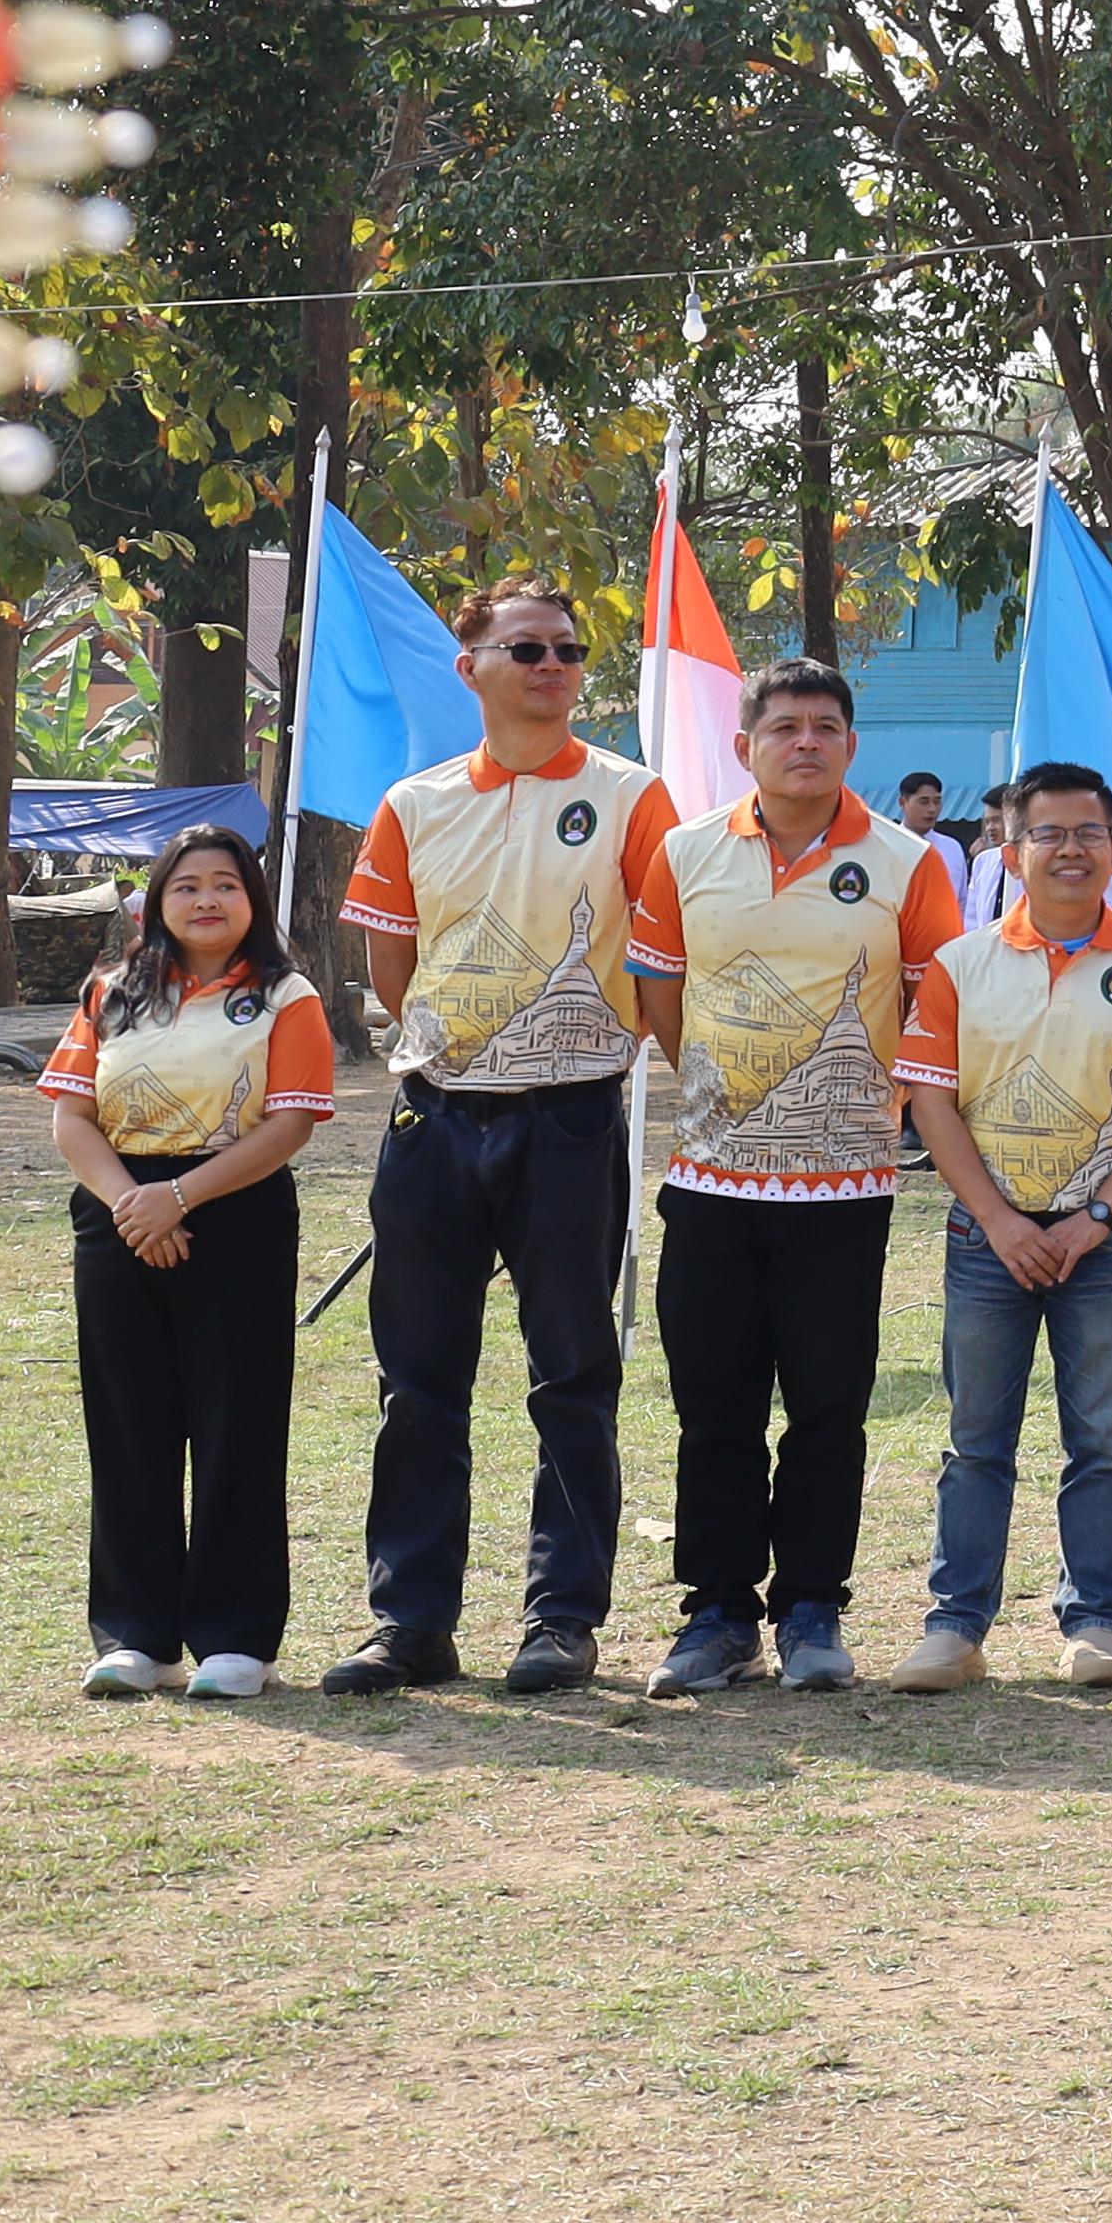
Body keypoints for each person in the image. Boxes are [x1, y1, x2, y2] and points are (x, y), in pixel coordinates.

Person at [325, 579, 673, 1701]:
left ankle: (561, 1618)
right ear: (469, 664)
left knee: (573, 1373)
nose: (552, 664)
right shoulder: (414, 802)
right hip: (435, 1115)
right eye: (525, 646)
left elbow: (662, 953)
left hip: (573, 1114)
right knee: (417, 1381)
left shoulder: (632, 796)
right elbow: (392, 960)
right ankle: (410, 1621)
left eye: (569, 649)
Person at [620, 654, 969, 1698]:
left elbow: (933, 1006)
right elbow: (663, 999)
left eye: (826, 726)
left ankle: (813, 1606)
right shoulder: (683, 853)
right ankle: (718, 1612)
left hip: (846, 1187)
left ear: (852, 746)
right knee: (712, 1406)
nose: (806, 741)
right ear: (746, 746)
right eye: (785, 727)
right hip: (713, 1180)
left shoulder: (909, 862)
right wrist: (737, 1097)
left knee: (827, 1405)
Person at [882, 760, 1112, 1692]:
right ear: (1012, 847)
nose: (1070, 851)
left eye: (1089, 835)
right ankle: (956, 1626)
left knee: (1100, 1439)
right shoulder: (960, 964)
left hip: (1101, 1243)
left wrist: (1100, 1214)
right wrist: (997, 1220)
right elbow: (933, 1103)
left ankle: (1096, 1624)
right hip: (986, 1239)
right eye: (1050, 834)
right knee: (975, 1438)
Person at [44, 828, 334, 1698]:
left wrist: (182, 1197)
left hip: (234, 1216)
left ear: (252, 902)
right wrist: (135, 1203)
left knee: (235, 1423)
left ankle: (237, 1640)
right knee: (128, 1425)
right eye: (187, 887)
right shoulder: (111, 992)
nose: (207, 901)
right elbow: (71, 1116)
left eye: (226, 886)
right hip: (119, 1216)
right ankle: (138, 1636)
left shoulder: (287, 997)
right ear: (157, 903)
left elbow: (290, 1124)